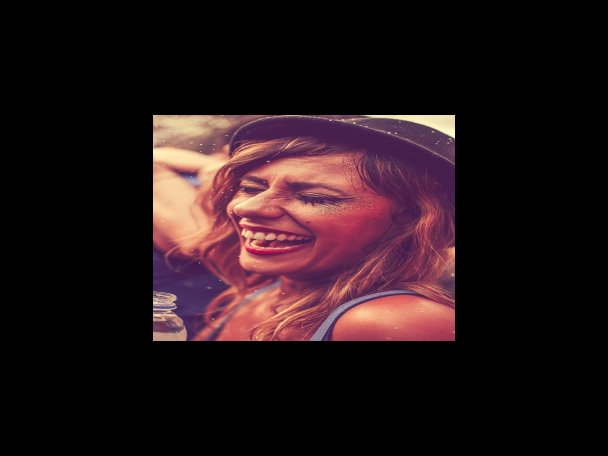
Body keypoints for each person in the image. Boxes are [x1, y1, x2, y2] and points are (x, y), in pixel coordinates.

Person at [177, 115, 455, 341]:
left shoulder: (394, 321)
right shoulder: (269, 290)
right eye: (251, 188)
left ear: (414, 219)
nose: (247, 208)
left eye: (314, 197)